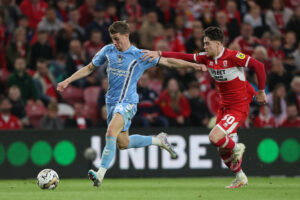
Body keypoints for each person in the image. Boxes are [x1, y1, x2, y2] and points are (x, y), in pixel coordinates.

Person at [57, 21, 205, 188]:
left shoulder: (139, 55)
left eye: (117, 39)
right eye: (112, 39)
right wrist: (68, 80)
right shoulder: (107, 50)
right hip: (111, 103)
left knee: (111, 131)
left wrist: (195, 65)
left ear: (126, 36)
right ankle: (158, 140)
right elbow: (90, 68)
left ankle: (100, 174)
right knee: (123, 143)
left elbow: (169, 62)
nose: (114, 42)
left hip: (128, 103)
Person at [142, 26, 267, 188]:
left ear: (218, 44)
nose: (205, 47)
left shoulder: (233, 56)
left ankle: (238, 146)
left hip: (238, 106)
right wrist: (159, 53)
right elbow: (183, 56)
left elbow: (259, 66)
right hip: (224, 107)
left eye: (208, 43)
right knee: (222, 149)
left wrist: (261, 91)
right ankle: (240, 176)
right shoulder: (206, 58)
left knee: (214, 138)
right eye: (204, 43)